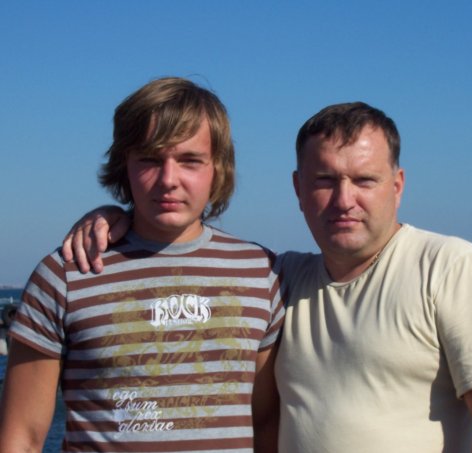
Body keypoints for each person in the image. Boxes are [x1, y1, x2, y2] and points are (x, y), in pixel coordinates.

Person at [58, 102, 472, 452]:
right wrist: (117, 216)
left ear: (397, 185)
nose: (344, 200)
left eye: (364, 180)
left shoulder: (450, 267)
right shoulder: (276, 277)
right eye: (325, 181)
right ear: (298, 189)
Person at [0, 77, 284, 453]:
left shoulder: (261, 274)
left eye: (189, 160)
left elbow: (265, 423)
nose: (169, 180)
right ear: (125, 165)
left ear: (217, 167)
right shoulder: (66, 275)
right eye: (150, 159)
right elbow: (21, 438)